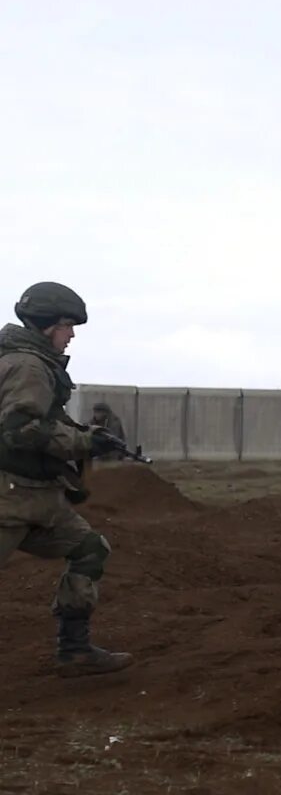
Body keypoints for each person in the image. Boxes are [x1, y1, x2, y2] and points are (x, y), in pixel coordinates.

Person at [0, 282, 132, 676]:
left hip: (38, 498)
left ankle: (74, 649)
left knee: (91, 548)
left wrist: (87, 437)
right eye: (66, 325)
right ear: (45, 326)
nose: (71, 334)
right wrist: (83, 442)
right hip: (9, 499)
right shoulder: (28, 366)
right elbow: (19, 430)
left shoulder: (28, 361)